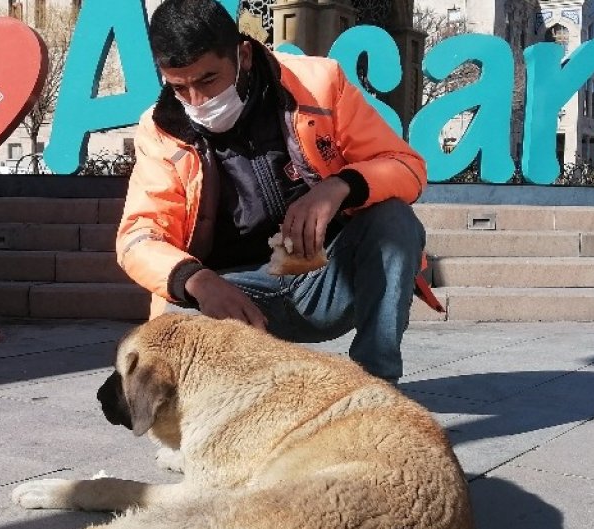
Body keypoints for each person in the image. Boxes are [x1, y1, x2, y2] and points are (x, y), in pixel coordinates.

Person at [117, 0, 440, 382]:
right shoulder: (159, 131)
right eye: (179, 87)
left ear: (244, 55)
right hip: (232, 295)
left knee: (394, 220)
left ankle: (377, 386)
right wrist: (198, 281)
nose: (197, 102)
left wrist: (339, 187)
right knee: (172, 321)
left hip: (326, 278)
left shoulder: (321, 84)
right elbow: (138, 238)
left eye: (208, 81)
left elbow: (407, 166)